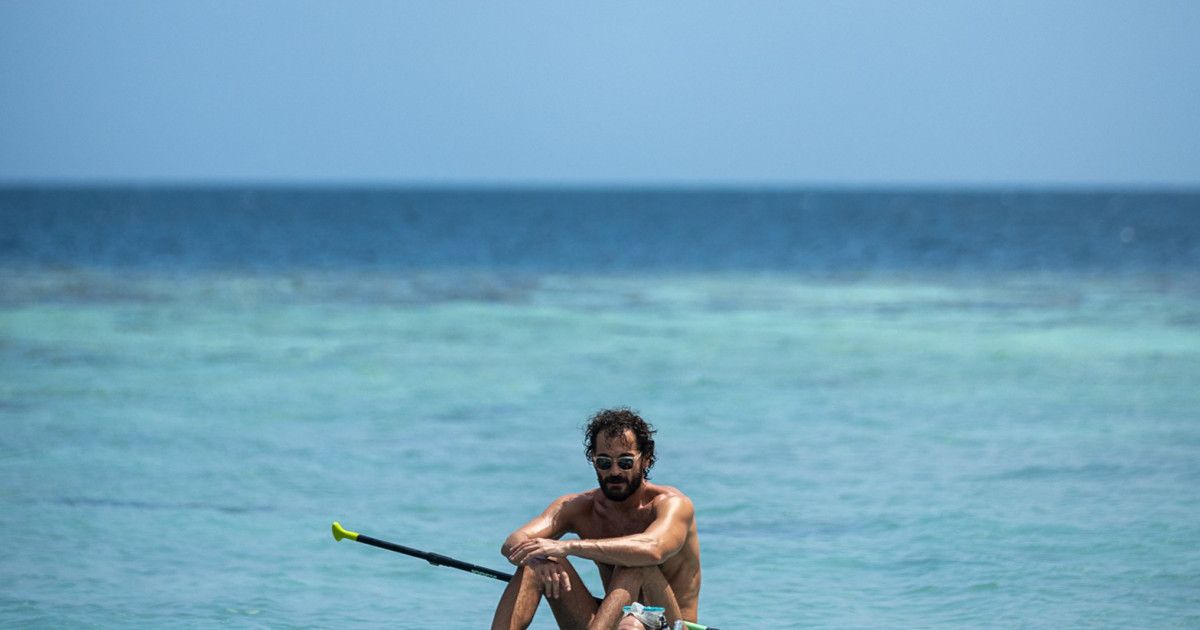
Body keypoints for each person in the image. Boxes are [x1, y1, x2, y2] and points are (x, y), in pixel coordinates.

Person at [491, 408, 702, 630]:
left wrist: (568, 547)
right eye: (604, 462)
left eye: (625, 462)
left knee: (634, 564)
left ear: (646, 460)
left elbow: (654, 549)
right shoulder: (581, 507)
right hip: (610, 623)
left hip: (671, 624)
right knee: (536, 562)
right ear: (593, 461)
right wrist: (538, 561)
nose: (615, 471)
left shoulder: (673, 505)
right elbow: (513, 542)